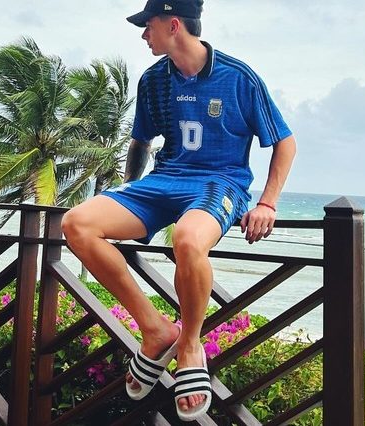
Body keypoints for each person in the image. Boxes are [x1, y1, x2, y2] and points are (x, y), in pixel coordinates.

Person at [61, 0, 297, 421]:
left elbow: (283, 141)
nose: (142, 34)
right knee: (77, 223)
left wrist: (267, 202)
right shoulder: (153, 80)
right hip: (161, 182)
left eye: (147, 25)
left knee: (188, 240)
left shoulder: (237, 77)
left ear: (173, 25)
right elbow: (140, 141)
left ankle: (189, 345)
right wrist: (127, 189)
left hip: (219, 183)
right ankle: (154, 329)